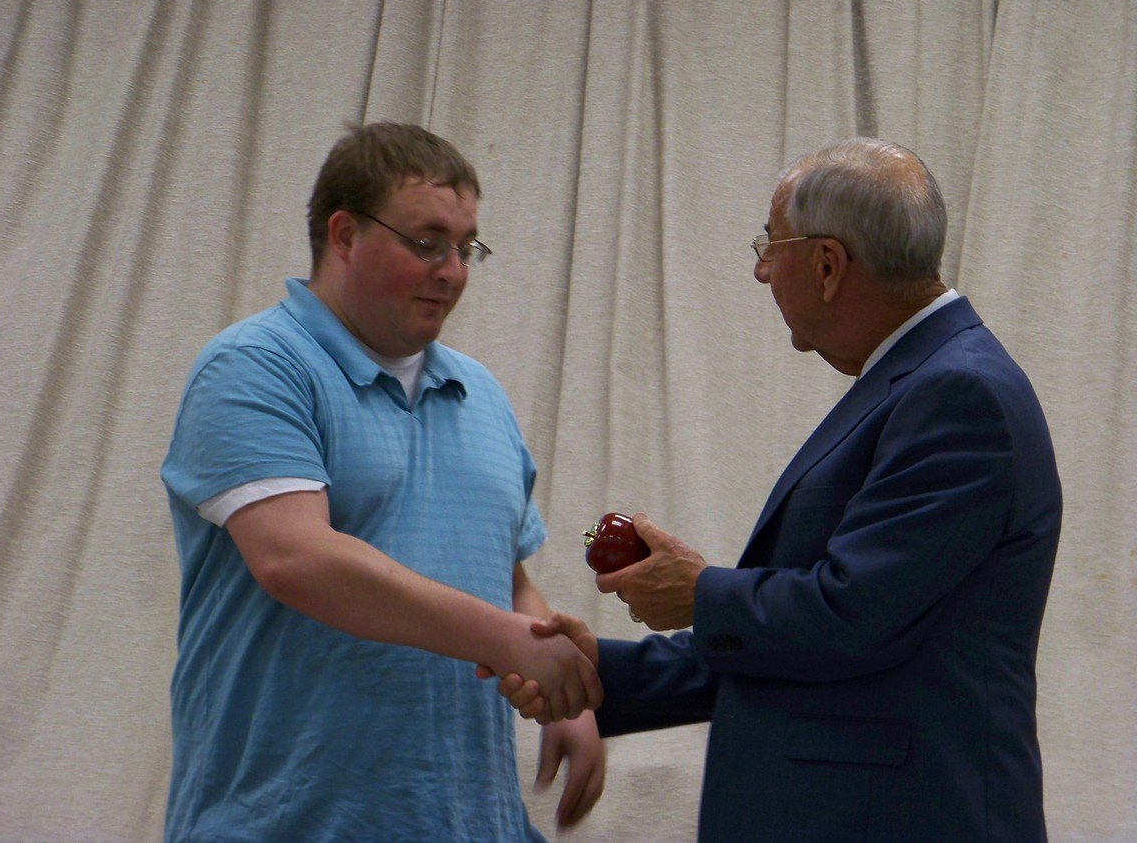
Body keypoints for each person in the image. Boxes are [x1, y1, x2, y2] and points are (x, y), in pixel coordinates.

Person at [492, 138, 1062, 840]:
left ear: (827, 265)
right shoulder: (923, 381)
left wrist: (698, 591)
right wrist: (597, 675)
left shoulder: (957, 392)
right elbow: (801, 638)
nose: (761, 271)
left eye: (771, 245)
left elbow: (849, 618)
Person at [160, 121, 604, 841]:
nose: (453, 271)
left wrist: (568, 698)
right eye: (427, 243)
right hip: (290, 823)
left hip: (472, 821)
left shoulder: (482, 393)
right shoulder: (253, 368)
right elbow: (296, 559)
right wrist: (512, 643)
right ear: (343, 234)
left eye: (466, 248)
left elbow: (506, 577)